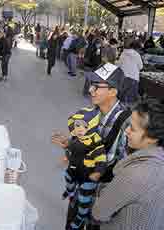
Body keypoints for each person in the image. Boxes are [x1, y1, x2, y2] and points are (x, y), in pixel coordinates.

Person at [52, 63, 129, 230]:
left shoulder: (126, 123)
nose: (90, 90)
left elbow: (125, 170)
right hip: (80, 188)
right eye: (90, 85)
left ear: (113, 91)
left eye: (96, 86)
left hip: (101, 197)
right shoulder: (88, 113)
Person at [92, 99, 164, 230]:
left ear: (152, 138)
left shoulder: (137, 174)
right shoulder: (162, 157)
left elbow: (99, 213)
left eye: (132, 128)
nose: (126, 131)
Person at [61, 109, 107, 229]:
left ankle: (80, 217)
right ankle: (70, 191)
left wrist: (98, 172)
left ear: (91, 127)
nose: (80, 129)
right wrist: (67, 156)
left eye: (84, 126)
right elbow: (71, 149)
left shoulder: (96, 142)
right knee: (67, 176)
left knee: (84, 199)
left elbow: (101, 159)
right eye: (77, 125)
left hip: (88, 175)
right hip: (75, 168)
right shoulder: (75, 137)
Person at [118, 38, 143, 105]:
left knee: (122, 96)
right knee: (130, 99)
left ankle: (120, 111)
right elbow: (141, 67)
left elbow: (119, 65)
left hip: (123, 77)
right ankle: (128, 112)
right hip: (133, 78)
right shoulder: (137, 55)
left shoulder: (123, 53)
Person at [83, 30, 103, 96]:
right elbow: (97, 56)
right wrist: (98, 63)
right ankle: (86, 92)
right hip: (92, 64)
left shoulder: (90, 44)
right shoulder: (96, 46)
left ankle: (87, 91)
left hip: (89, 63)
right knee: (90, 79)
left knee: (89, 79)